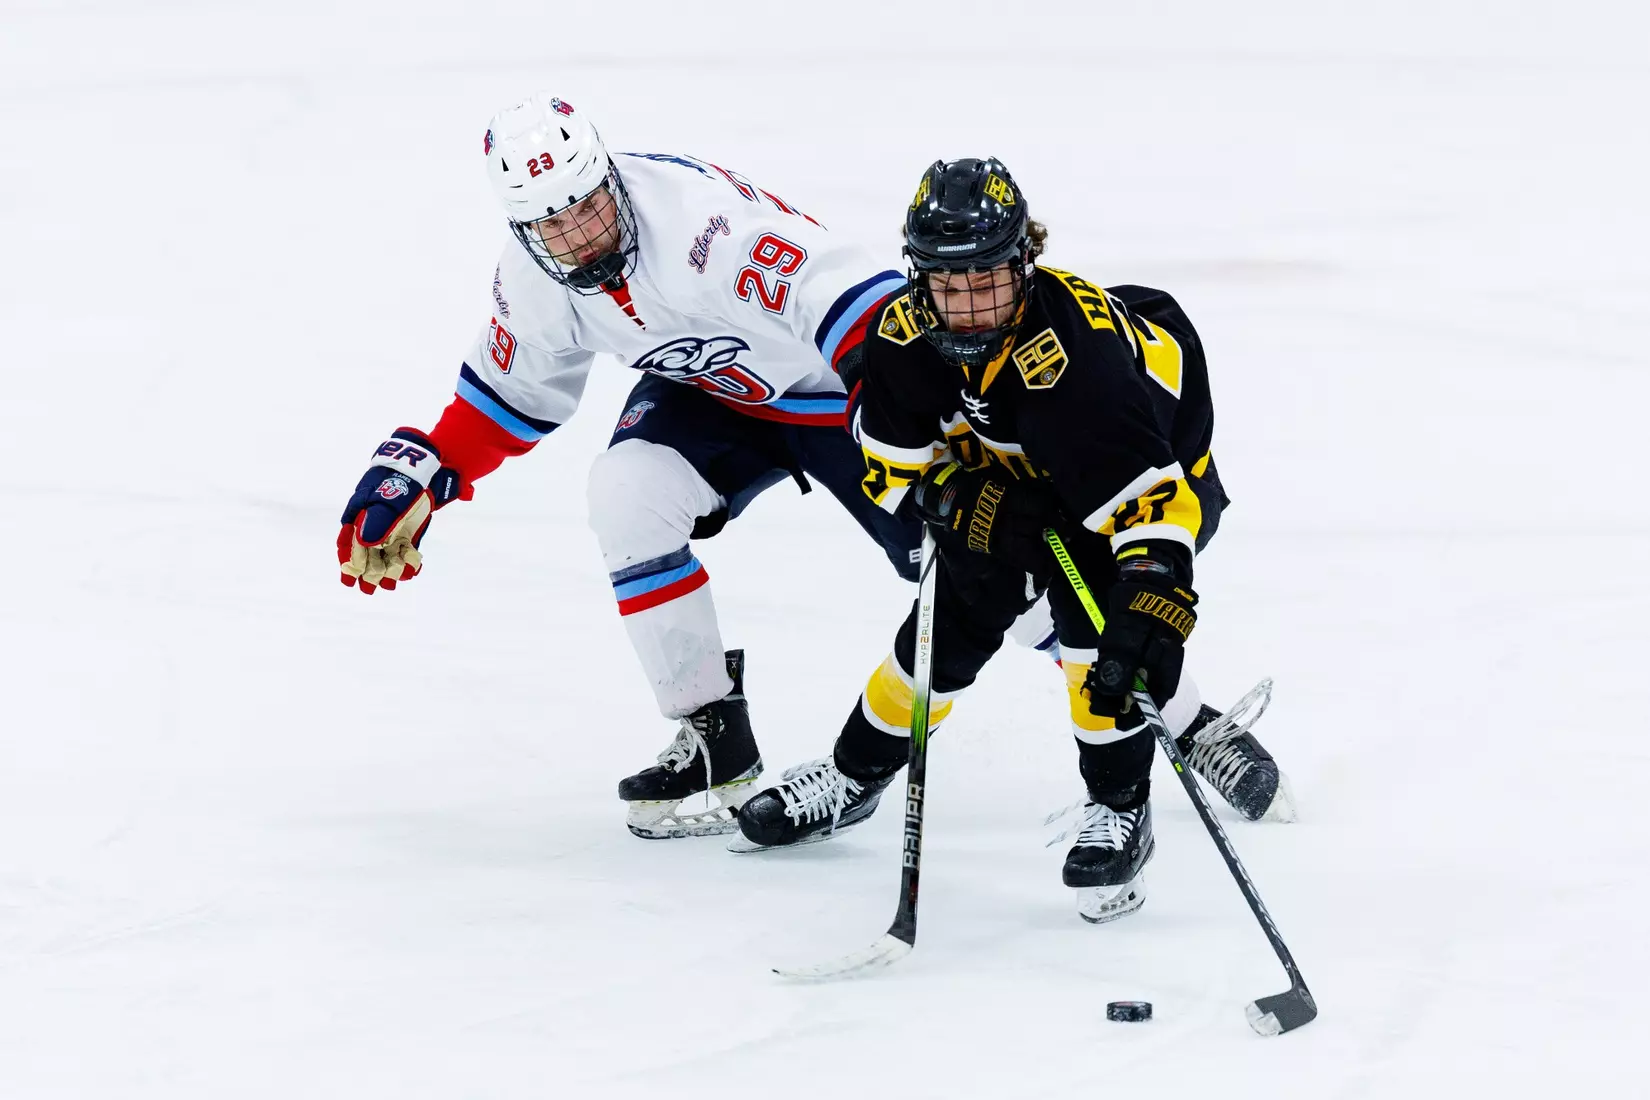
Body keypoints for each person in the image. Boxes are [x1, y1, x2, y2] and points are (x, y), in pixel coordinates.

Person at [334, 91, 916, 839]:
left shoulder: (700, 226)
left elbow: (851, 298)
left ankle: (1112, 713)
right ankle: (716, 741)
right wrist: (431, 469)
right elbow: (509, 394)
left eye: (587, 205)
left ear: (608, 174)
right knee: (626, 491)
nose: (580, 235)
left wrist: (901, 403)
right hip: (714, 395)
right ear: (523, 226)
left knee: (983, 569)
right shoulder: (534, 279)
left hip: (839, 392)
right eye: (552, 223)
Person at [733, 158, 1293, 923]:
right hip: (1013, 473)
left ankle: (1122, 803)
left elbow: (1154, 510)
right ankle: (853, 774)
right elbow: (890, 468)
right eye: (946, 283)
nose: (965, 307)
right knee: (952, 623)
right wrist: (964, 500)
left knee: (1103, 632)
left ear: (1024, 263)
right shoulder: (902, 337)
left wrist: (1156, 600)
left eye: (987, 281)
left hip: (1148, 469)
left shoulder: (1079, 361)